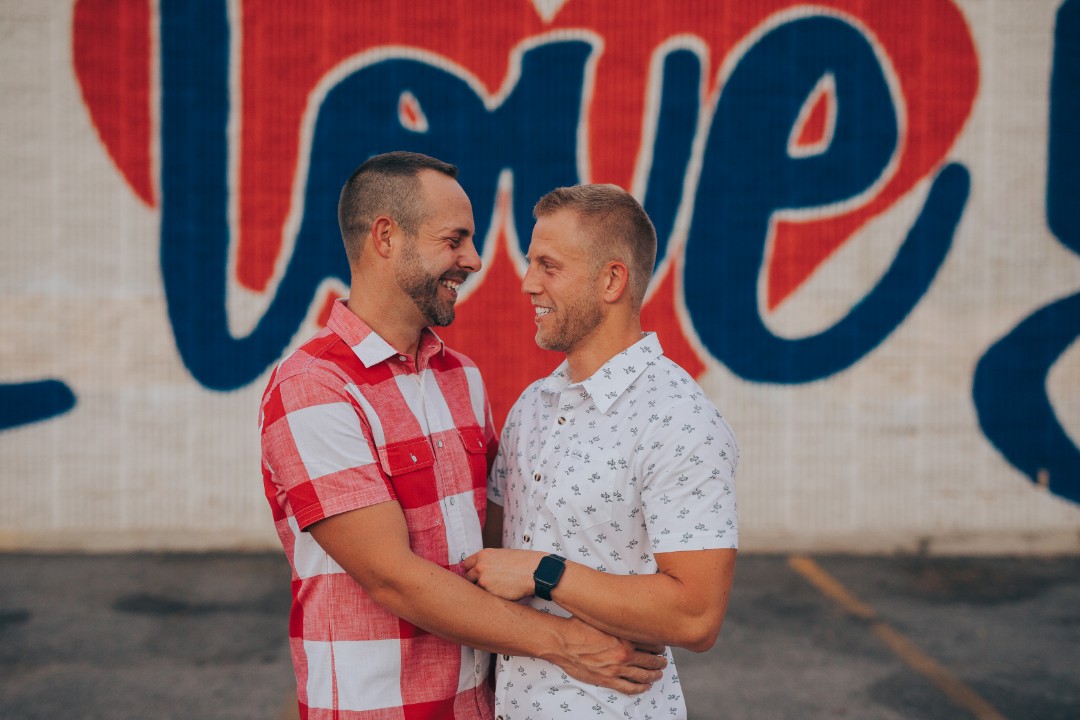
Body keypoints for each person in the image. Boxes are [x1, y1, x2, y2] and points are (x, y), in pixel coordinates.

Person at [259, 153, 666, 720]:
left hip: (483, 706)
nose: (473, 260)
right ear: (385, 237)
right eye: (455, 240)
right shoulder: (313, 387)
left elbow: (500, 544)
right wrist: (568, 644)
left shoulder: (462, 378)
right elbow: (392, 578)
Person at [463, 184, 739, 719]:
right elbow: (494, 558)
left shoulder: (679, 418)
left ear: (612, 279)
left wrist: (547, 572)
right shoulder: (532, 406)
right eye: (530, 262)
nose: (527, 283)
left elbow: (696, 617)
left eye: (549, 265)